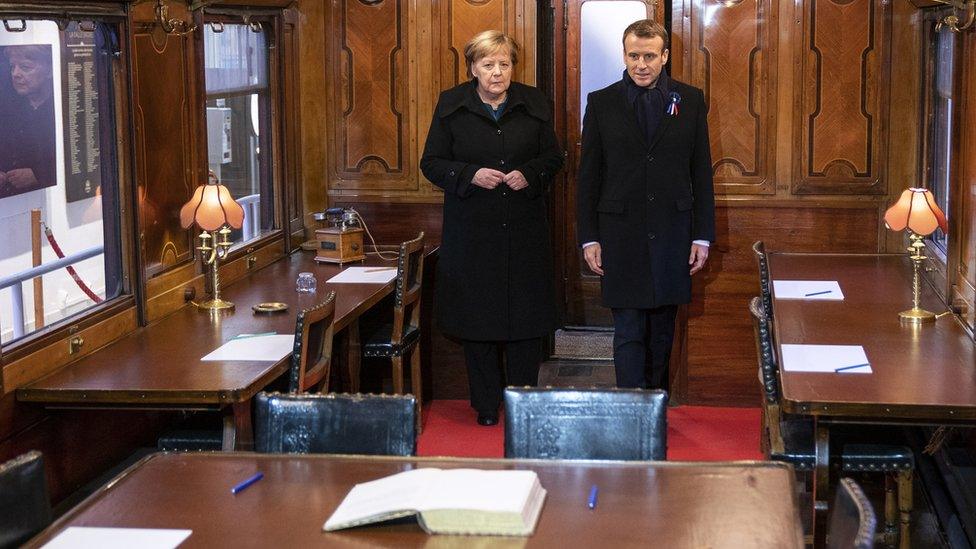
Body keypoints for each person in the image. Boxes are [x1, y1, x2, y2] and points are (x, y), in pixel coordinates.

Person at [421, 30, 563, 426]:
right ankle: (485, 405)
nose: (497, 73)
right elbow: (430, 162)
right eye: (488, 65)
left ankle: (522, 402)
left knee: (526, 321)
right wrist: (468, 174)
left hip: (524, 231)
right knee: (477, 322)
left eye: (504, 64)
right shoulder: (452, 104)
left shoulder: (533, 101)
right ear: (473, 69)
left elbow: (554, 156)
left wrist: (530, 174)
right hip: (472, 233)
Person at [576, 19, 715, 391]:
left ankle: (655, 404)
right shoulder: (601, 102)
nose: (641, 64)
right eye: (634, 55)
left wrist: (702, 236)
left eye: (650, 56)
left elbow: (701, 173)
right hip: (620, 235)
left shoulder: (691, 100)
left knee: (662, 333)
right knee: (629, 331)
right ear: (624, 55)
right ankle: (629, 408)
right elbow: (588, 176)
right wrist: (589, 238)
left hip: (673, 234)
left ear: (664, 56)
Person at [0, 44, 57, 198]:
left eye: (25, 67)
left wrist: (39, 175)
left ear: (50, 70)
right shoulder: (6, 108)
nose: (15, 74)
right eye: (13, 67)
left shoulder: (59, 108)